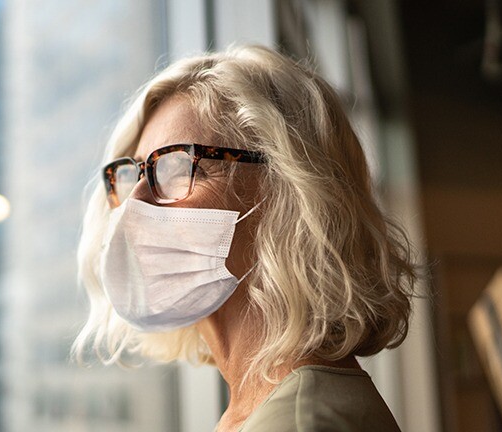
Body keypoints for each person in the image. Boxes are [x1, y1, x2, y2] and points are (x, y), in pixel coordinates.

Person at [73, 45, 416, 431]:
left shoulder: (302, 422)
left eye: (177, 167)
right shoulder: (262, 405)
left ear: (290, 189)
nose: (134, 206)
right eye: (134, 174)